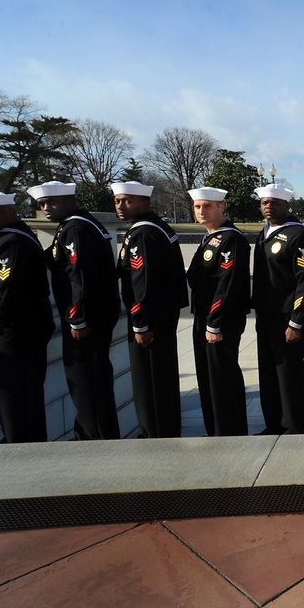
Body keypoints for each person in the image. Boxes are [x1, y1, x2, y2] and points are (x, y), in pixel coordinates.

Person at [28, 181, 121, 440]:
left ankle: (96, 439)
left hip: (87, 321)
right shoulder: (76, 225)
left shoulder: (76, 228)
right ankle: (95, 434)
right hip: (92, 317)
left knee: (87, 384)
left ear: (70, 201)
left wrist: (78, 319)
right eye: (42, 204)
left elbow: (78, 275)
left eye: (52, 202)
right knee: (88, 383)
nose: (46, 208)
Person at [0, 191, 54, 443]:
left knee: (17, 394)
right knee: (15, 393)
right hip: (15, 328)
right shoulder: (5, 239)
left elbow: (10, 286)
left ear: (10, 213)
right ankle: (22, 441)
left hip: (16, 329)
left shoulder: (13, 241)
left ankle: (22, 446)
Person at [114, 180, 187, 438]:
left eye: (128, 201)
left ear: (144, 203)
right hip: (160, 316)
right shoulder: (156, 227)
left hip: (151, 320)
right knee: (161, 379)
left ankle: (156, 434)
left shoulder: (143, 233)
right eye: (118, 201)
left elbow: (142, 281)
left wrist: (141, 323)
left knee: (150, 383)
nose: (121, 206)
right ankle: (162, 430)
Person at [251, 183, 304, 434]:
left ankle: (293, 426)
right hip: (265, 315)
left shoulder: (299, 235)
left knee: (288, 375)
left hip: (287, 319)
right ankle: (273, 424)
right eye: (264, 202)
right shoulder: (265, 232)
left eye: (274, 202)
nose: (268, 206)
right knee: (268, 374)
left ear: (286, 205)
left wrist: (296, 321)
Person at [187, 187, 251, 436]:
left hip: (220, 321)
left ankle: (228, 433)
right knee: (208, 378)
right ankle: (215, 429)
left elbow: (228, 284)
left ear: (221, 207)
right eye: (197, 206)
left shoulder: (230, 239)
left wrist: (214, 323)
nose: (201, 211)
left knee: (222, 380)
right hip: (205, 317)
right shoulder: (211, 237)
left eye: (207, 206)